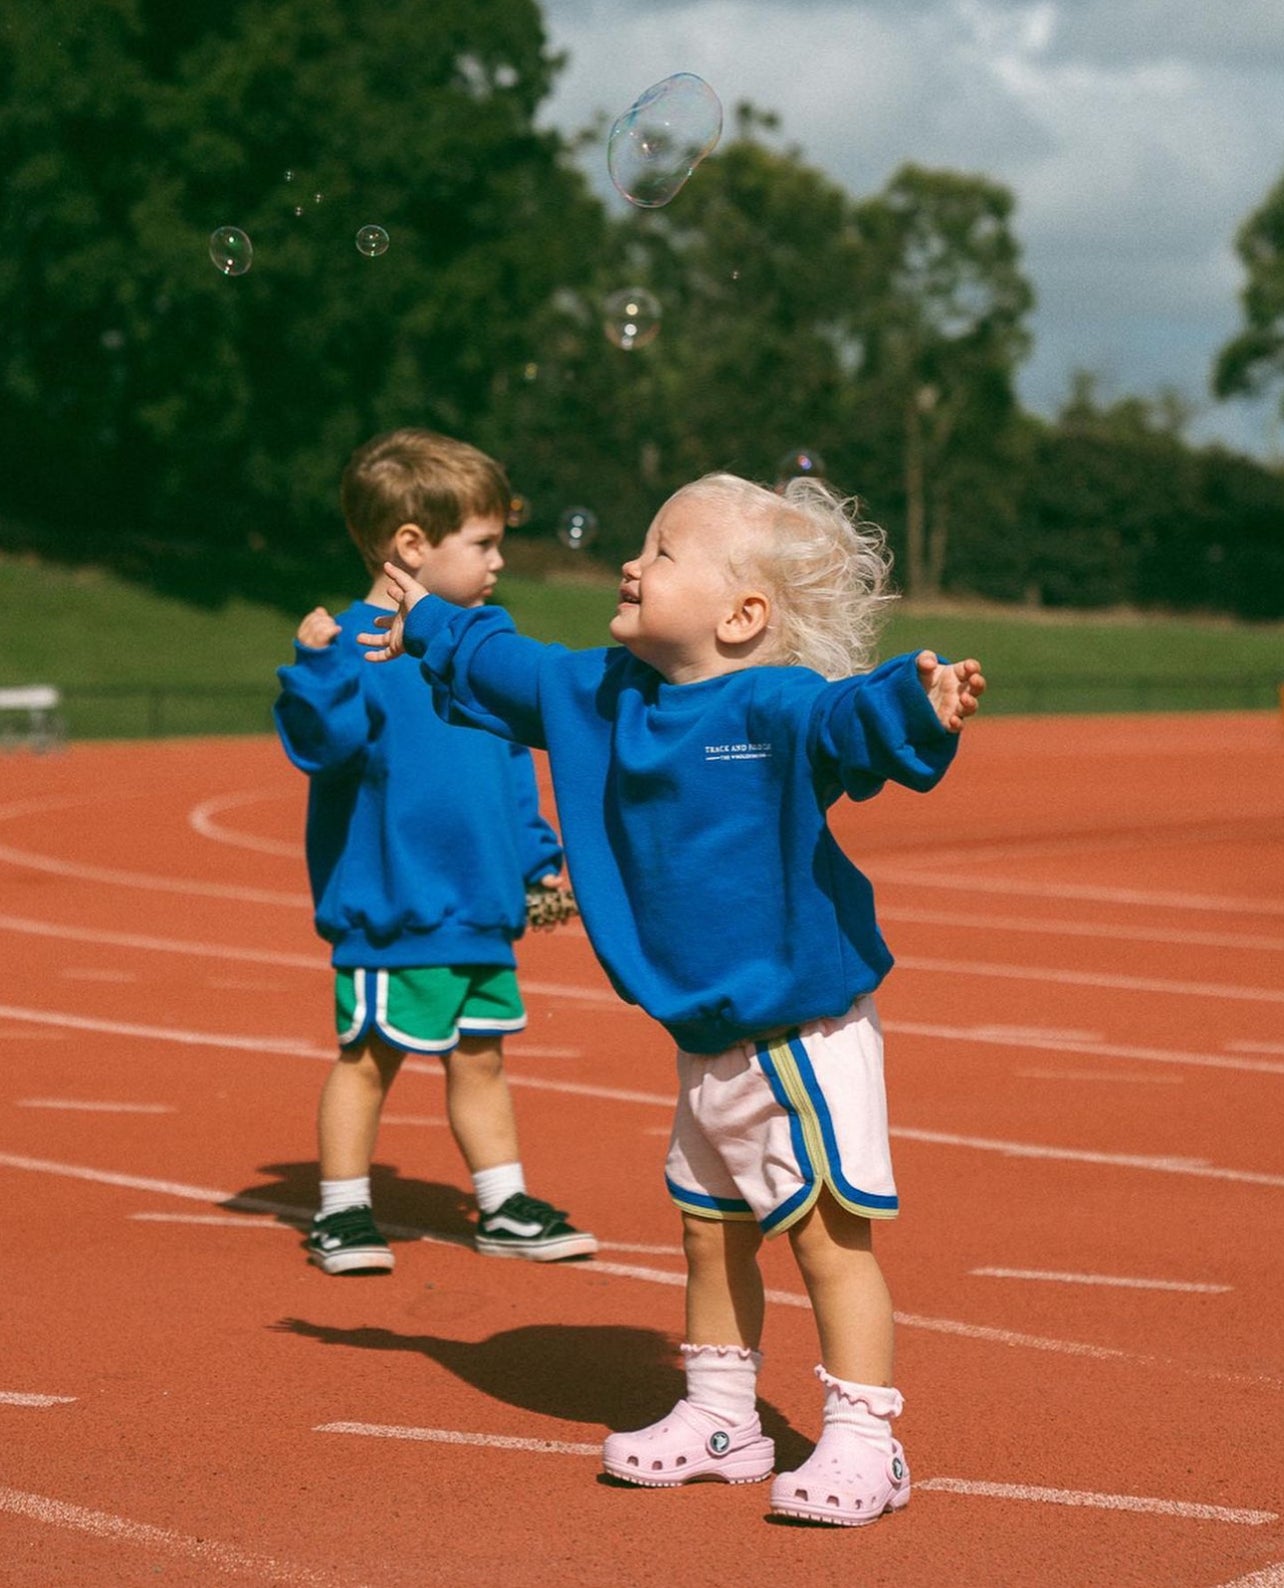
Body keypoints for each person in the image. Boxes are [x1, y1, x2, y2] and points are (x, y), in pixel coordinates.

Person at [360, 470, 984, 1526]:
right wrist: (428, 619)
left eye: (663, 550)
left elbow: (851, 717)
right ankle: (721, 1414)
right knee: (709, 1229)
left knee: (830, 1238)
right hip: (707, 1035)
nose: (633, 562)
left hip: (801, 1030)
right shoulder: (603, 694)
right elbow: (506, 665)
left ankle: (867, 1438)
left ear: (745, 616)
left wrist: (916, 701)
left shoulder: (773, 703)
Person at [274, 427, 597, 1275]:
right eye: (483, 543)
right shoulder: (355, 643)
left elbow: (509, 760)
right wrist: (315, 668)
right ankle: (342, 1213)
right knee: (369, 1059)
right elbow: (325, 745)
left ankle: (501, 1203)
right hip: (396, 905)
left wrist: (536, 857)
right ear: (410, 546)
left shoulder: (480, 643)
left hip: (480, 903)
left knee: (482, 1057)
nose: (498, 561)